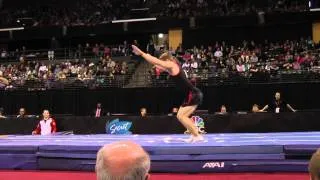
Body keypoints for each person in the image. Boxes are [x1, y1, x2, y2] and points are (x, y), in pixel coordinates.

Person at [132, 45, 204, 143]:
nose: (160, 67)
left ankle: (197, 136)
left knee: (182, 116)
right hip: (190, 94)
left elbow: (157, 62)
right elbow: (156, 64)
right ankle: (194, 134)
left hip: (193, 94)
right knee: (180, 116)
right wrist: (147, 58)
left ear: (167, 60)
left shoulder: (172, 65)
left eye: (163, 63)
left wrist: (142, 53)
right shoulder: (171, 67)